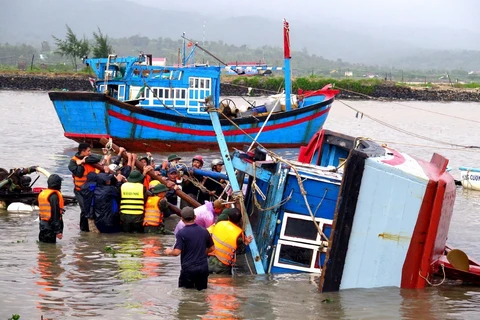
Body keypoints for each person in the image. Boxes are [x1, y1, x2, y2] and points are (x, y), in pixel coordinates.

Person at [164, 207, 215, 291]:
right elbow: (212, 248)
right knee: (202, 293)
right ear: (195, 217)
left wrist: (169, 252)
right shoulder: (204, 231)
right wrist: (202, 252)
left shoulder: (181, 233)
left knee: (185, 293)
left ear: (182, 219)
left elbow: (177, 252)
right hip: (203, 268)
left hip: (189, 269)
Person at [68, 142, 102, 232]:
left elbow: (98, 158)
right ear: (83, 152)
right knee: (84, 209)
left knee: (91, 209)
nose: (90, 153)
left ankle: (90, 229)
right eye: (88, 151)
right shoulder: (73, 161)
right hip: (79, 190)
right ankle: (83, 230)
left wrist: (85, 160)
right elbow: (78, 173)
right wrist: (80, 164)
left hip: (90, 190)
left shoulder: (89, 157)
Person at [207, 208, 252, 274]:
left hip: (211, 260)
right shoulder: (238, 233)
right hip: (223, 266)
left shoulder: (220, 223)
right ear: (240, 220)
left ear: (228, 217)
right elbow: (240, 251)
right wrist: (245, 243)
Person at [38, 174, 64, 244]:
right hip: (50, 227)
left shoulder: (43, 193)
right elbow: (55, 215)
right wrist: (58, 231)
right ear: (58, 184)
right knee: (51, 251)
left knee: (43, 248)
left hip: (43, 225)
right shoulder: (54, 196)